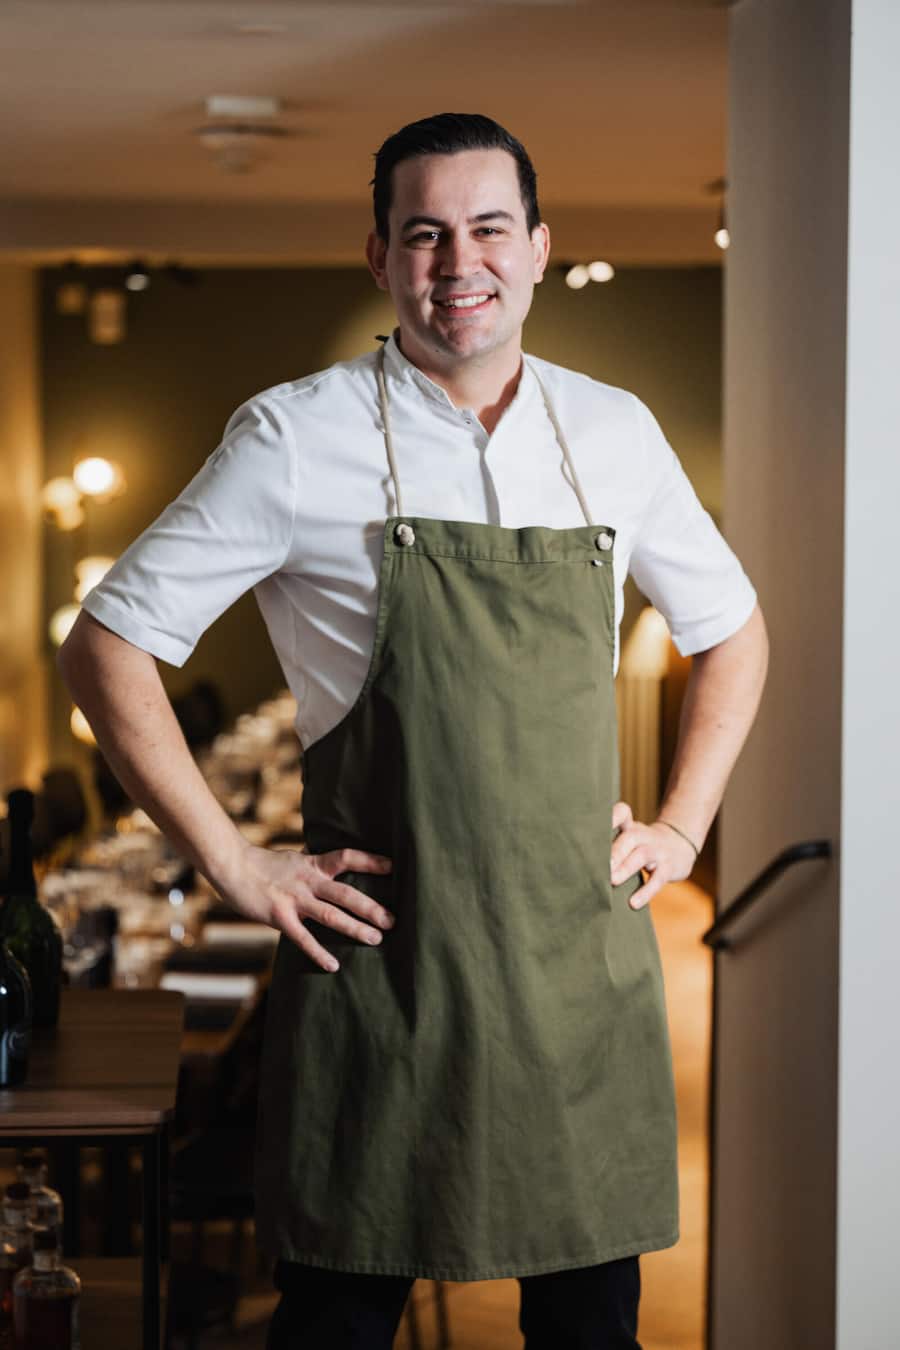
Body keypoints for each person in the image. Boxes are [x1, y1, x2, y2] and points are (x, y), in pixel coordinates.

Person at [58, 112, 768, 1349]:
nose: (460, 262)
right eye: (425, 233)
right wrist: (234, 862)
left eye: (490, 228)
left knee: (593, 1327)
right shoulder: (294, 434)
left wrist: (681, 824)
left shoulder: (614, 431)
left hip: (573, 979)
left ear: (541, 249)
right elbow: (105, 642)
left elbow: (734, 630)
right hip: (382, 972)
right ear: (380, 256)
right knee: (337, 1317)